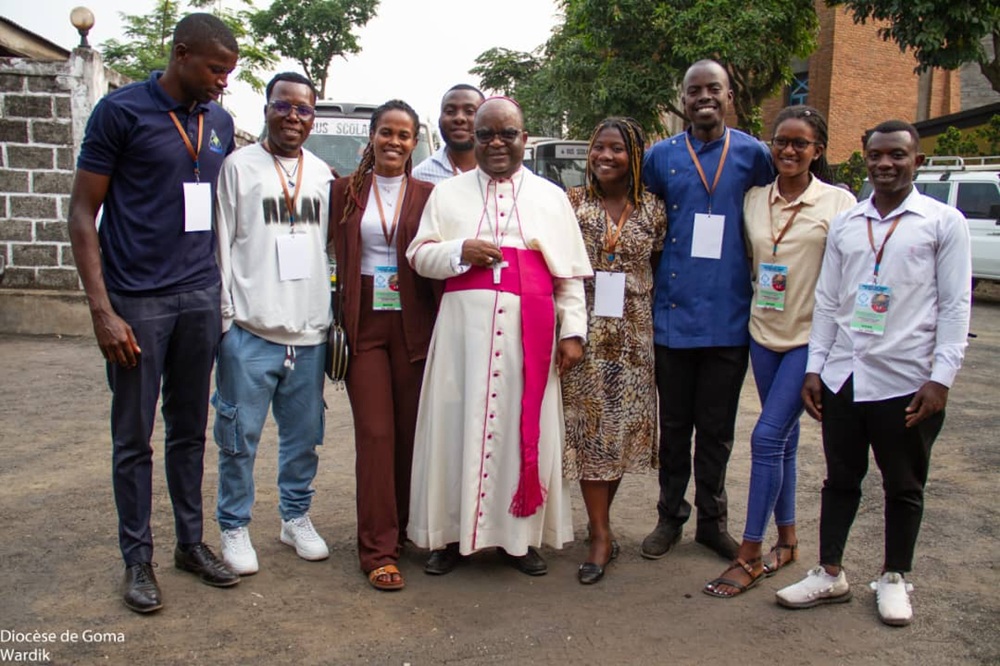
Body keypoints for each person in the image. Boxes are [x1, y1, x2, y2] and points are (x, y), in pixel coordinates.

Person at [67, 13, 241, 613]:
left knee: (190, 432)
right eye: (216, 69)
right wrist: (101, 310)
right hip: (137, 302)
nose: (223, 82)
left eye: (230, 72)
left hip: (197, 297)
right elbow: (81, 213)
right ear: (181, 53)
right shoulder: (120, 113)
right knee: (133, 437)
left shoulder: (219, 122)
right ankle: (137, 559)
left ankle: (189, 545)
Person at [776, 120, 971, 626]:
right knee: (841, 479)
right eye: (877, 155)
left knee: (903, 484)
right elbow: (827, 300)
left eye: (898, 156)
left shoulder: (942, 221)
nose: (886, 164)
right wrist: (815, 368)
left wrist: (941, 378)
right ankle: (830, 571)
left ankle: (894, 577)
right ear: (864, 157)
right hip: (845, 374)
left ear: (917, 161)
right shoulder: (847, 222)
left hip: (907, 380)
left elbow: (955, 306)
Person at [405, 97, 592, 577]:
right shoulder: (447, 195)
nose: (495, 143)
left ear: (524, 139)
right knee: (454, 429)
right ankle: (447, 537)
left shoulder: (552, 197)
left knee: (519, 430)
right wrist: (458, 250)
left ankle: (518, 539)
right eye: (486, 134)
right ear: (474, 138)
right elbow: (418, 256)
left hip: (527, 338)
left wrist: (573, 333)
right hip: (461, 340)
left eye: (506, 134)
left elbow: (568, 278)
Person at [703, 106, 855, 598]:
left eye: (801, 144)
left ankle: (749, 553)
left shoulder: (838, 203)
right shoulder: (752, 199)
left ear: (818, 150)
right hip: (763, 332)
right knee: (784, 442)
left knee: (766, 438)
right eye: (781, 142)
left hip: (811, 340)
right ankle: (787, 541)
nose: (789, 151)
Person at [640, 59, 774, 561]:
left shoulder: (753, 154)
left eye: (713, 89)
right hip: (673, 319)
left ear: (729, 95)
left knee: (716, 432)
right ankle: (669, 517)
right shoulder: (661, 157)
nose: (703, 98)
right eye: (694, 90)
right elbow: (647, 229)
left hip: (729, 318)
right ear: (684, 97)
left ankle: (712, 523)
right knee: (674, 429)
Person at [212, 72, 333, 576]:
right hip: (250, 330)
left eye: (303, 110)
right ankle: (233, 524)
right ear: (266, 108)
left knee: (304, 438)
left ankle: (294, 517)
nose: (292, 116)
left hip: (308, 334)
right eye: (283, 106)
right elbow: (219, 243)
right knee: (239, 437)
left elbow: (329, 250)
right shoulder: (238, 167)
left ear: (312, 117)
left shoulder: (324, 175)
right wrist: (224, 321)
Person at [329, 100, 438, 591]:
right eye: (386, 133)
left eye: (405, 135)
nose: (394, 142)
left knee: (411, 433)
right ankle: (377, 548)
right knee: (375, 432)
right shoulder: (345, 192)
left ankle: (408, 529)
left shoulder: (429, 195)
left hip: (415, 321)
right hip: (365, 322)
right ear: (370, 137)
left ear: (415, 143)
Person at [561, 117, 666, 584]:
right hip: (585, 334)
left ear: (635, 157)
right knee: (591, 435)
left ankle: (600, 525)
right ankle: (601, 534)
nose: (605, 156)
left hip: (634, 341)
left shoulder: (654, 211)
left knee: (619, 437)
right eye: (597, 147)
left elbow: (658, 264)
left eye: (616, 149)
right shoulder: (572, 204)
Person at [412, 84, 485, 184]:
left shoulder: (502, 171)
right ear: (439, 120)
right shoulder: (420, 176)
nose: (459, 118)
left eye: (470, 111)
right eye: (450, 111)